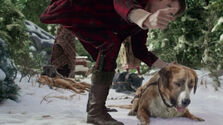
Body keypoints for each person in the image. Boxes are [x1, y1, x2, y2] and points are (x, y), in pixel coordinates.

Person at [40, 0, 186, 124]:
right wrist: (146, 18)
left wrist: (167, 66)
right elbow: (122, 3)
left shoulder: (140, 28)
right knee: (110, 44)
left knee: (104, 55)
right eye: (167, 4)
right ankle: (96, 112)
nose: (166, 12)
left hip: (91, 18)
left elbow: (140, 50)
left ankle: (94, 107)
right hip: (73, 6)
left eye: (171, 13)